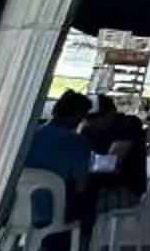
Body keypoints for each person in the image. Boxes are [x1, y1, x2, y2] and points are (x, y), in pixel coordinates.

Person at [21, 90, 96, 227]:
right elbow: (80, 186)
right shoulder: (78, 143)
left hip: (17, 206)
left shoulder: (29, 134)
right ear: (80, 117)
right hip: (53, 212)